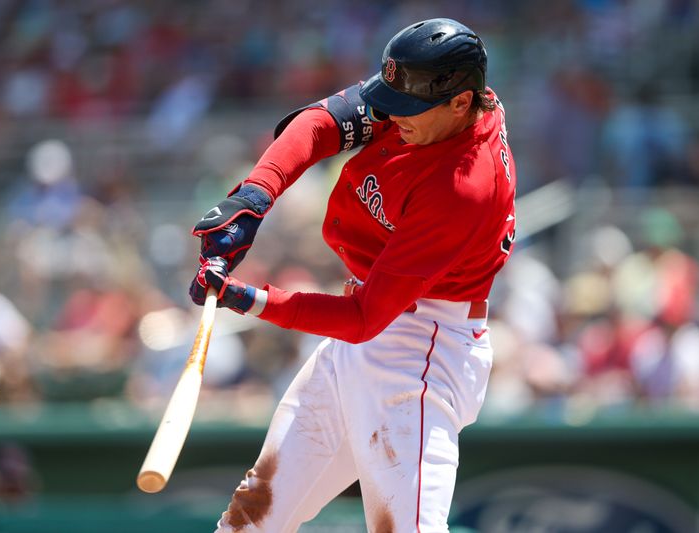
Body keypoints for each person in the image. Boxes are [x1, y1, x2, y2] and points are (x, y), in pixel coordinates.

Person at [190, 18, 517, 533]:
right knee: (250, 520)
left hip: (422, 353)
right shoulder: (438, 100)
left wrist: (253, 300)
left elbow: (365, 320)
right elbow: (319, 124)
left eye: (409, 106)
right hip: (369, 332)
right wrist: (253, 197)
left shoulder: (464, 187)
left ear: (460, 102)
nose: (394, 113)